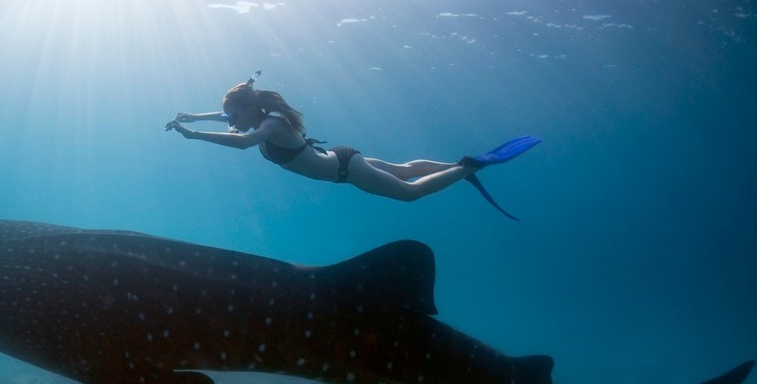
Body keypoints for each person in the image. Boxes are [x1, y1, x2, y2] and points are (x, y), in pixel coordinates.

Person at [166, 71, 540, 218]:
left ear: (249, 110)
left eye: (233, 116)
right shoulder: (258, 116)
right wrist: (192, 117)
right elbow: (226, 120)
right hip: (342, 158)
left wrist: (193, 136)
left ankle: (468, 167)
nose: (231, 122)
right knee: (407, 170)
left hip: (345, 169)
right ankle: (458, 165)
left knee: (410, 194)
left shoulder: (269, 124)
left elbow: (245, 144)